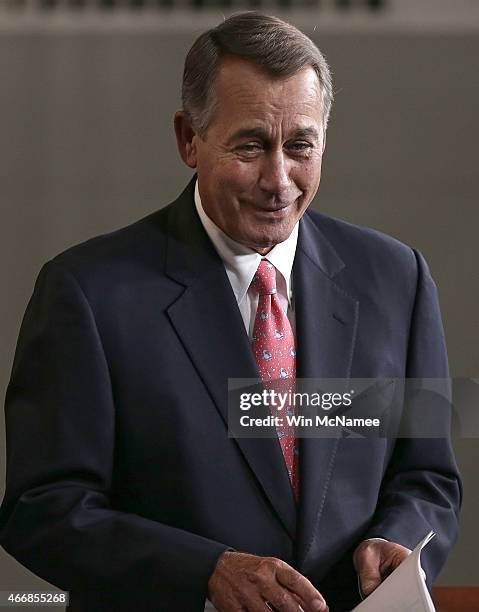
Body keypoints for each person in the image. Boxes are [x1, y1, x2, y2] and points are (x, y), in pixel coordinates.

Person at [0, 12, 461, 612]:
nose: (279, 180)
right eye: (250, 146)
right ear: (188, 138)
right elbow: (45, 508)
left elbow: (426, 477)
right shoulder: (87, 293)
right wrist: (205, 572)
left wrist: (396, 539)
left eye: (301, 146)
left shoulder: (398, 279)